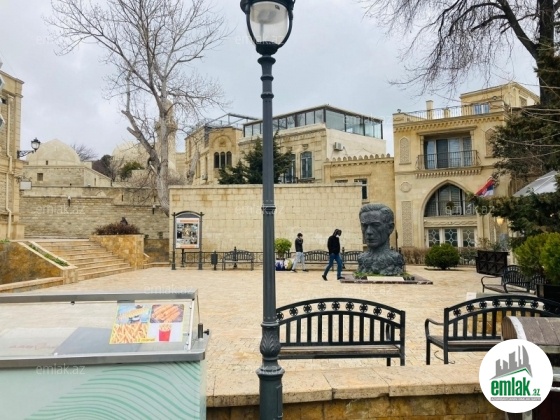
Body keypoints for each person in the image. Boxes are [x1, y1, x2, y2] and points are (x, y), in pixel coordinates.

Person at [357, 203, 405, 276]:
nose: (369, 231)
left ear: (390, 228)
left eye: (375, 225)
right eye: (364, 226)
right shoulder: (362, 258)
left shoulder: (395, 259)